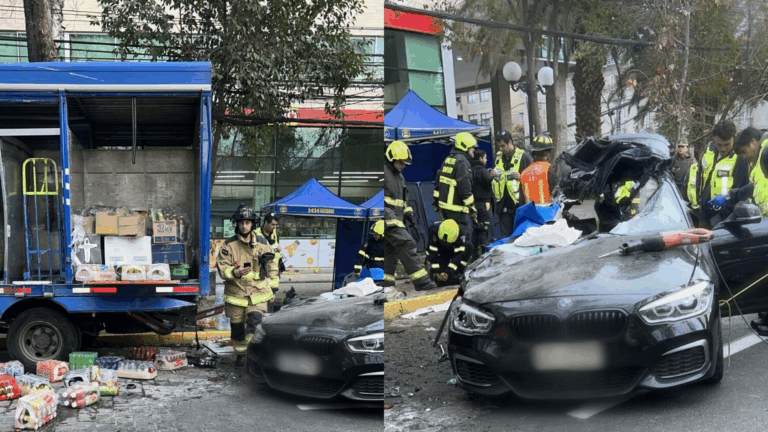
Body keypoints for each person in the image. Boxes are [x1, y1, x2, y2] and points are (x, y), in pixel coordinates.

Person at [216, 205, 277, 366]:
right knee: (237, 330)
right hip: (236, 295)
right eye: (241, 222)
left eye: (248, 222)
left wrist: (273, 289)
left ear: (252, 224)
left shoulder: (263, 244)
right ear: (236, 224)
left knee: (254, 324)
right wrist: (236, 272)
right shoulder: (229, 245)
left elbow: (273, 266)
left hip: (258, 294)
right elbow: (222, 269)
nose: (244, 226)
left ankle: (253, 355)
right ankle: (240, 355)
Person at [383, 141, 438, 291]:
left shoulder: (399, 177)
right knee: (407, 243)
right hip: (387, 220)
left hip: (396, 219)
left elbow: (402, 201)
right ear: (391, 158)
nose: (404, 165)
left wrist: (409, 215)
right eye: (401, 162)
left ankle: (386, 284)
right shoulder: (384, 174)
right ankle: (422, 282)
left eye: (405, 162)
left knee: (390, 253)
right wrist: (392, 220)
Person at [687, 120, 750, 228]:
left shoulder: (740, 157)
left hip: (725, 217)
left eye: (727, 144)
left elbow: (741, 191)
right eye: (719, 145)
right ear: (713, 139)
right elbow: (700, 174)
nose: (723, 149)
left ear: (734, 137)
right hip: (704, 212)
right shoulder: (709, 150)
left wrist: (721, 215)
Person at [433, 132, 477, 238]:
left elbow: (438, 182)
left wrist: (436, 202)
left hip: (445, 209)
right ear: (465, 147)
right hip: (457, 209)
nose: (474, 150)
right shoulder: (462, 162)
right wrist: (472, 208)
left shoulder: (448, 159)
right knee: (463, 236)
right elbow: (464, 186)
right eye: (472, 147)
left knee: (450, 237)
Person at [492, 130, 533, 238]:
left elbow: (533, 178)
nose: (501, 149)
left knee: (521, 236)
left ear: (510, 142)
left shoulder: (524, 157)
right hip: (503, 207)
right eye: (499, 146)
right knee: (506, 238)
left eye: (503, 146)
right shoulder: (498, 157)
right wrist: (493, 175)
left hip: (520, 206)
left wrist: (521, 177)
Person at [426, 220, 472, 287]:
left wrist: (449, 271)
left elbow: (459, 255)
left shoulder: (461, 234)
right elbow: (432, 253)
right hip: (441, 252)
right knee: (440, 281)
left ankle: (459, 271)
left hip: (453, 250)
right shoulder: (433, 230)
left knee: (469, 246)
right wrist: (438, 271)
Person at [470, 148, 497, 260]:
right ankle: (485, 254)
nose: (486, 160)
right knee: (484, 229)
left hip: (473, 204)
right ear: (480, 159)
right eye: (485, 158)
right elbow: (488, 181)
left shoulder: (470, 170)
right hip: (484, 204)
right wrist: (493, 176)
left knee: (476, 229)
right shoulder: (482, 170)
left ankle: (474, 255)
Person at [520, 133, 557, 204]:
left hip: (530, 210)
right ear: (548, 154)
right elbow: (556, 194)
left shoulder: (524, 173)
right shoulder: (549, 169)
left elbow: (521, 200)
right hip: (547, 210)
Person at [253, 212, 282, 291]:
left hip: (273, 268)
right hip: (261, 268)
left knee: (273, 290)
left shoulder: (274, 234)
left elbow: (274, 246)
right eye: (272, 224)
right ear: (266, 222)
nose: (274, 227)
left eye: (276, 225)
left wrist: (278, 251)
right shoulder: (256, 234)